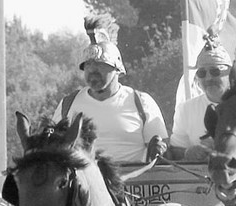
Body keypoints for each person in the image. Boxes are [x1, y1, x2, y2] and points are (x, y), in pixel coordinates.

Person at [50, 15, 169, 164]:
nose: (92, 70)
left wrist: (159, 149)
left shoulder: (141, 102)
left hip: (133, 184)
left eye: (100, 64)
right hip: (83, 185)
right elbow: (52, 150)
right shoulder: (68, 104)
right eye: (87, 65)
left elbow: (163, 154)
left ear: (116, 69)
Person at [169, 30, 236, 161]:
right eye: (201, 73)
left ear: (229, 73)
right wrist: (188, 153)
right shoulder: (185, 110)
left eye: (214, 71)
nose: (208, 78)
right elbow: (175, 149)